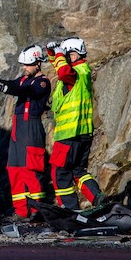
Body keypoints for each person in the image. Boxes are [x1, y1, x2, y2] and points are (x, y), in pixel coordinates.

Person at [0, 45, 51, 220]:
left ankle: (37, 211)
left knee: (31, 170)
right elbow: (11, 84)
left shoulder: (42, 82)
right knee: (14, 169)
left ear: (38, 63)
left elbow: (27, 91)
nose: (24, 68)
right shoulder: (23, 80)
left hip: (31, 129)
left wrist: (5, 89)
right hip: (18, 130)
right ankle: (21, 211)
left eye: (27, 65)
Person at [46, 36, 105, 209]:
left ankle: (69, 209)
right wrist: (52, 53)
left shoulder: (73, 74)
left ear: (75, 54)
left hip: (69, 134)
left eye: (67, 55)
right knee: (79, 172)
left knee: (60, 172)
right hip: (82, 134)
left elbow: (63, 71)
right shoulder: (81, 71)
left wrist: (58, 53)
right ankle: (98, 198)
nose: (64, 59)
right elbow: (60, 66)